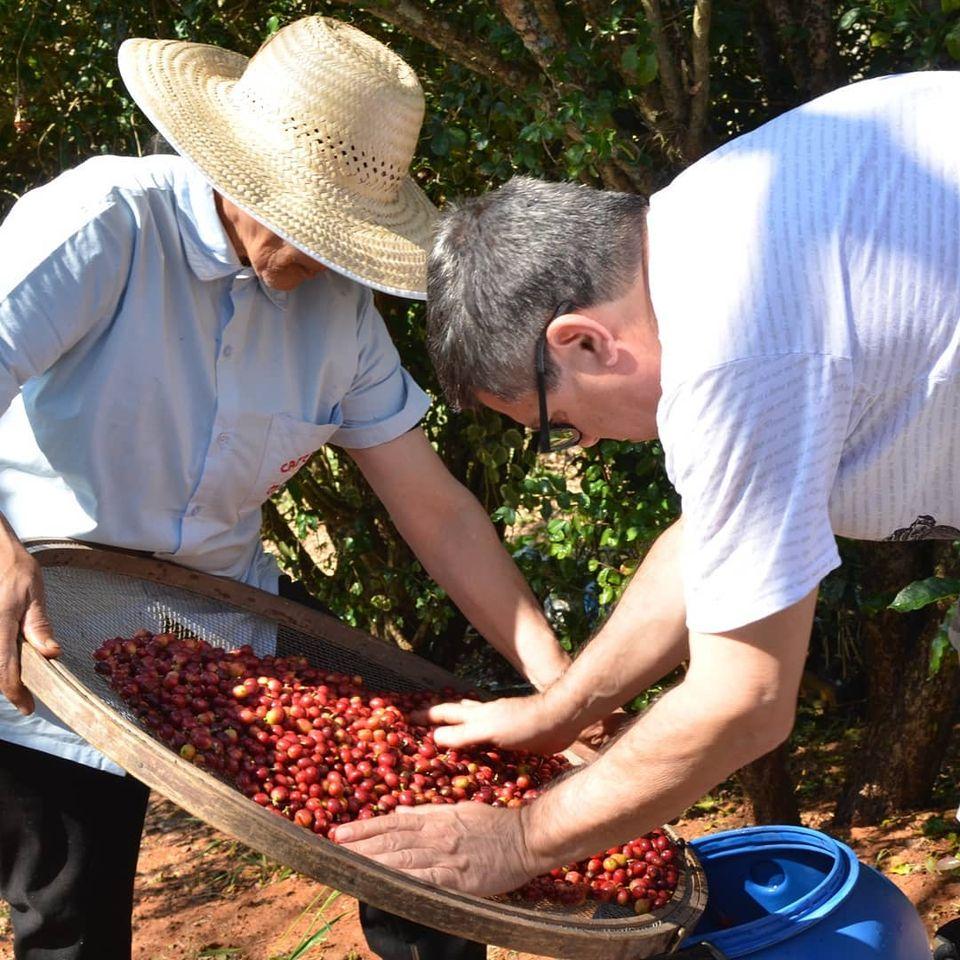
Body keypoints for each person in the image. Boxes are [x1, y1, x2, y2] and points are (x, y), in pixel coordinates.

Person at [0, 16, 571, 960]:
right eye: (306, 224)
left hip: (221, 612)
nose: (322, 257)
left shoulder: (338, 309)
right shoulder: (106, 223)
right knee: (70, 915)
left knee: (422, 832)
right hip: (41, 619)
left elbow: (435, 510)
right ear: (237, 170)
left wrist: (558, 681)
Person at [333, 71, 960, 895]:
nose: (585, 442)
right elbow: (713, 538)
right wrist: (559, 712)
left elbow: (746, 700)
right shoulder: (706, 219)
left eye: (558, 423)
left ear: (583, 343)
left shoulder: (730, 353)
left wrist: (516, 841)